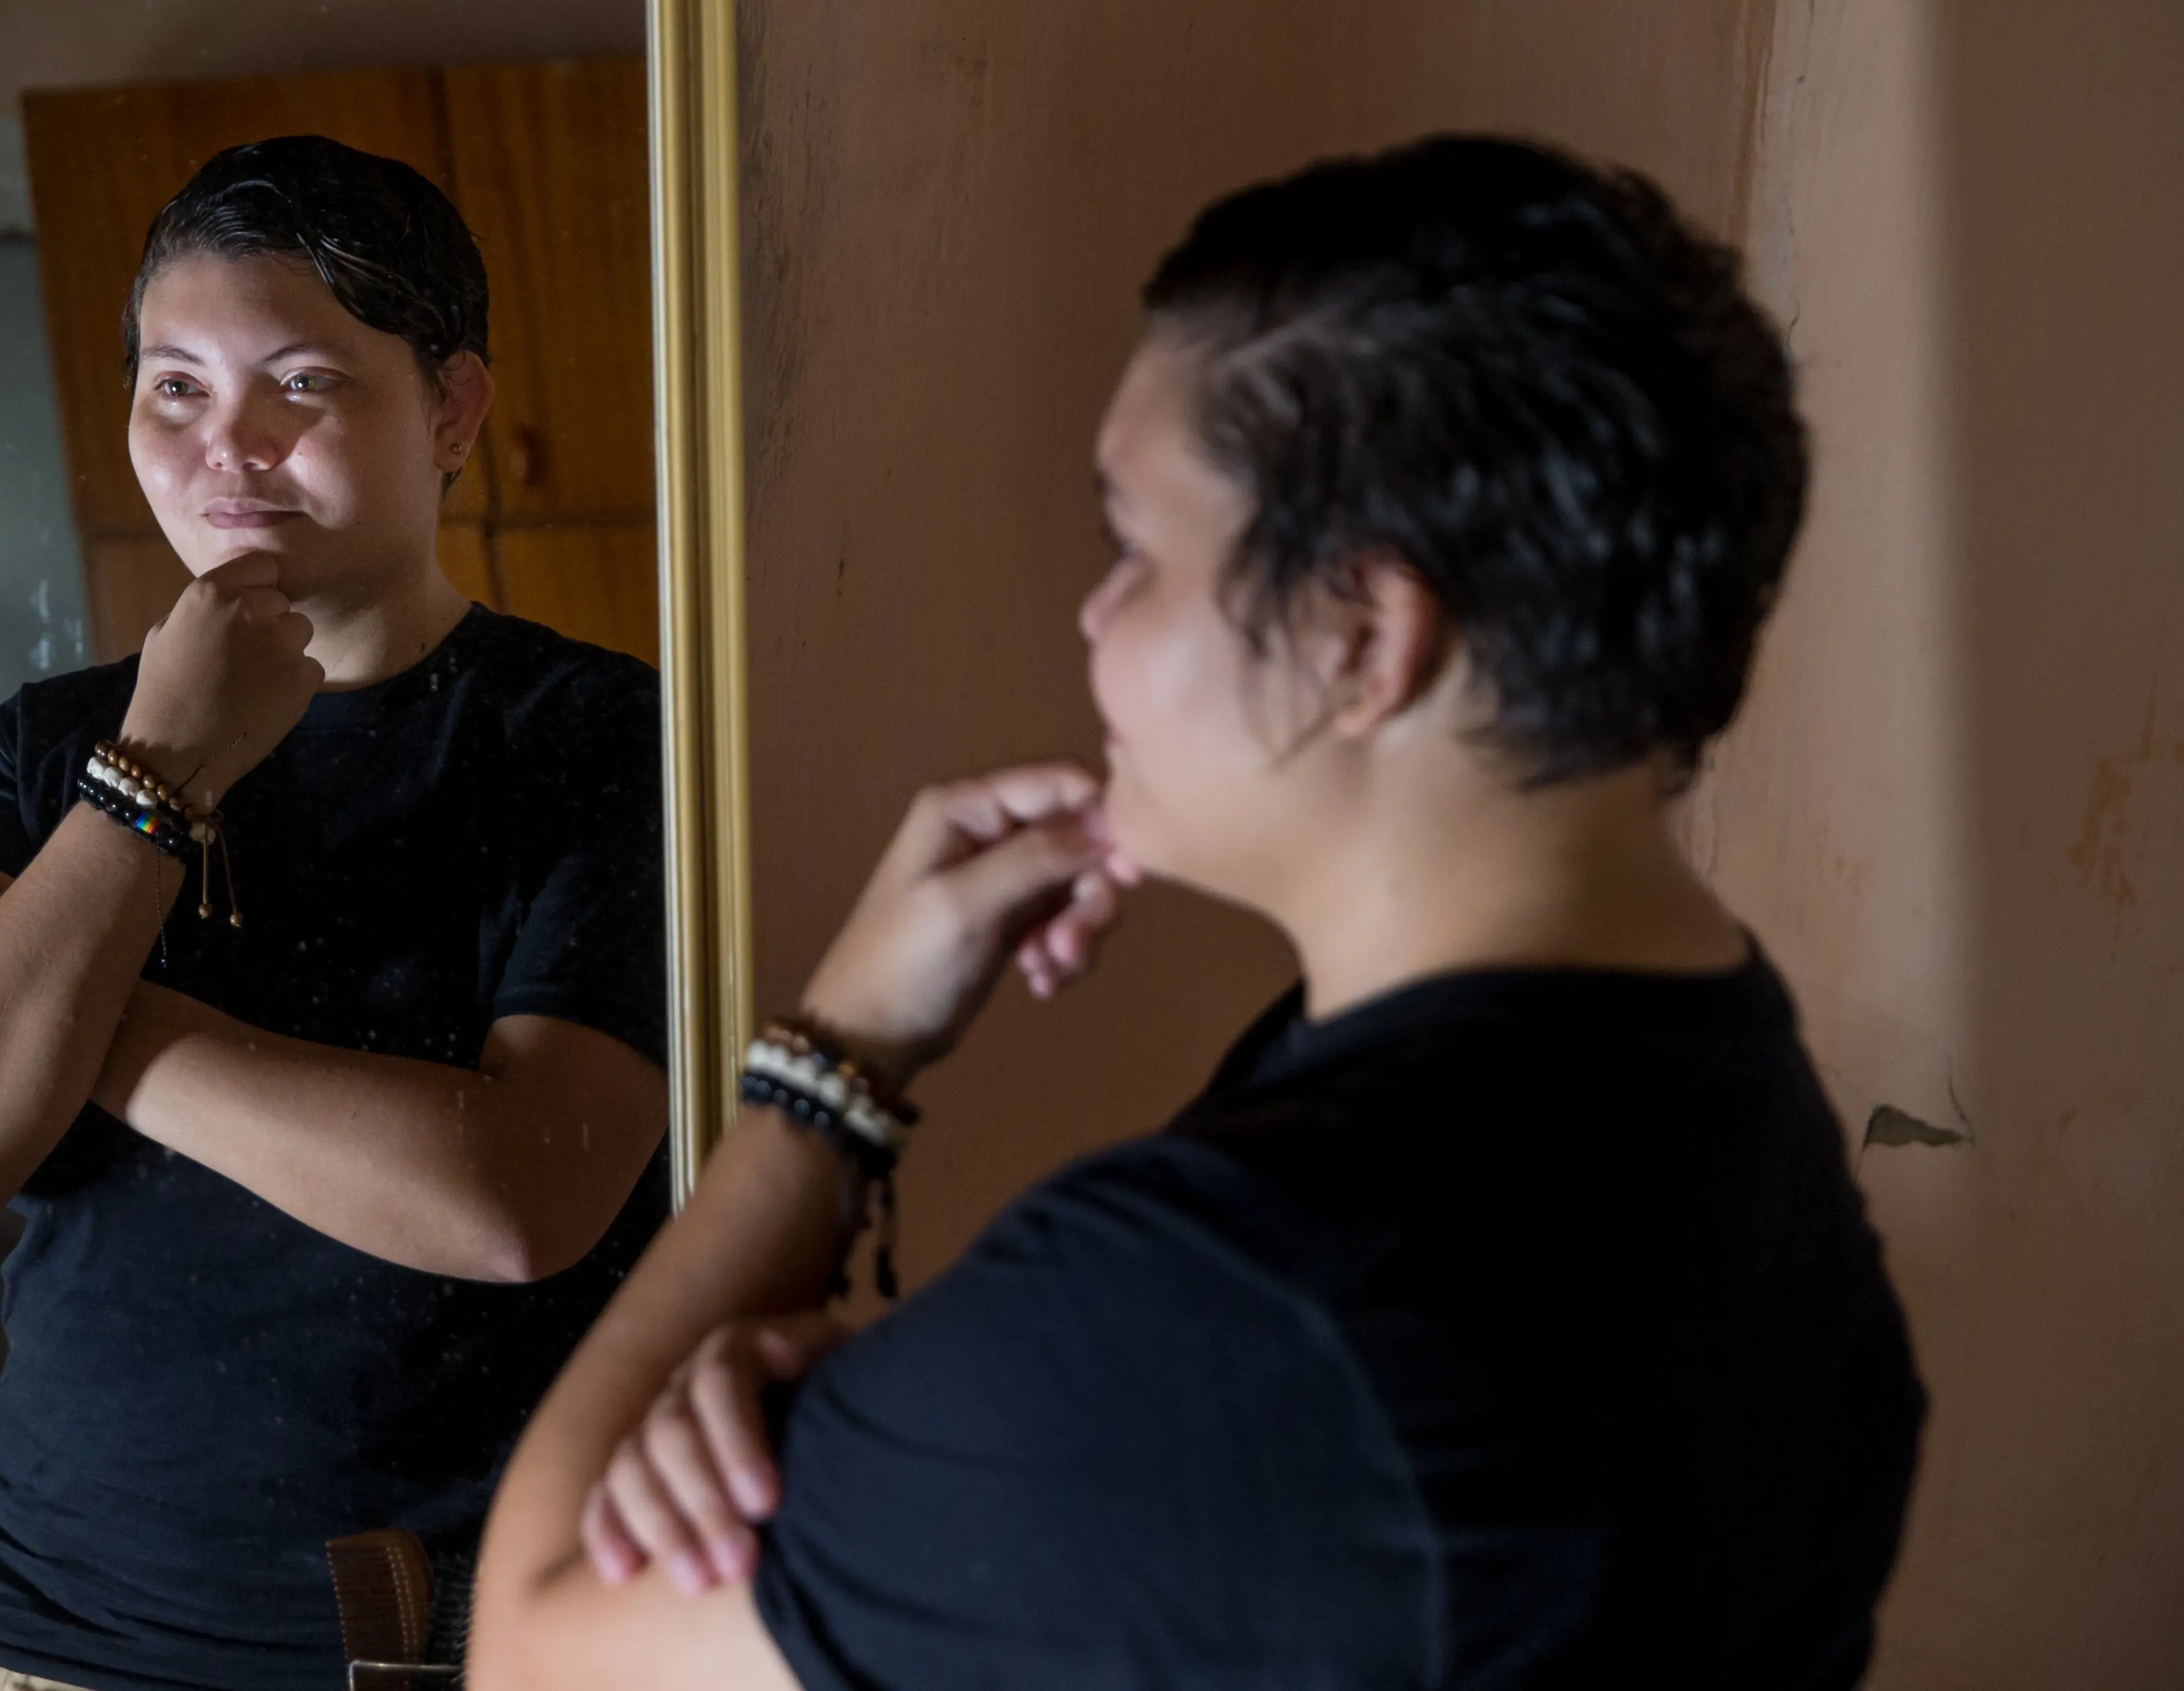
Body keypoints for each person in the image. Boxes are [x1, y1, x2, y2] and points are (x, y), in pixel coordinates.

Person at [469, 135, 1926, 1689]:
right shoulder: (1723, 1097)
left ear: (1363, 634)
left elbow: (537, 1641)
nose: (1093, 620)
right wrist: (942, 1449)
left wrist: (834, 1067)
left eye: (1135, 550)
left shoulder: (1235, 1304)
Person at [0, 137, 675, 1691]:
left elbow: (514, 1197)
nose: (230, 449)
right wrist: (149, 768)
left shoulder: (583, 733)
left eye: (300, 384)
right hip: (30, 1641)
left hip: (400, 1655)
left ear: (451, 409)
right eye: (176, 390)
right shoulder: (44, 750)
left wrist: (81, 1003)